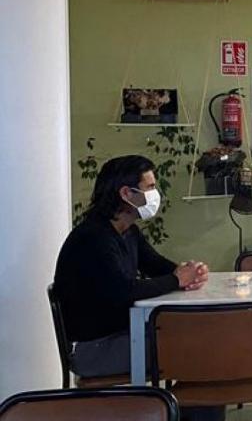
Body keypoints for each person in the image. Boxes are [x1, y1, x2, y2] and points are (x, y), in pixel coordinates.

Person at [53, 155, 209, 379]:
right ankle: (180, 411)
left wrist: (190, 273)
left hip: (121, 334)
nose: (156, 195)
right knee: (196, 348)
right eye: (150, 187)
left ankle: (184, 411)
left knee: (200, 336)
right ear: (126, 194)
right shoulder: (94, 238)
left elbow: (155, 265)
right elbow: (124, 291)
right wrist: (177, 280)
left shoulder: (127, 231)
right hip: (94, 349)